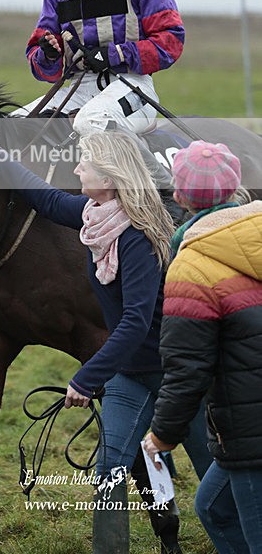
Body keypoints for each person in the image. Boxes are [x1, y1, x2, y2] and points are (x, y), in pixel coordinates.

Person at [0, 118, 211, 554]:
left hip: (173, 373)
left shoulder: (137, 237)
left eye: (85, 164)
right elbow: (42, 198)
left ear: (109, 178)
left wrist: (86, 377)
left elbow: (137, 321)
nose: (77, 170)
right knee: (109, 472)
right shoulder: (94, 216)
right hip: (129, 376)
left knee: (212, 469)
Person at [14, 0, 185, 193]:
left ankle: (165, 194)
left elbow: (171, 40)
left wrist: (116, 55)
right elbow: (40, 64)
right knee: (11, 128)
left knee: (91, 122)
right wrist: (49, 55)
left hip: (132, 85)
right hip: (80, 90)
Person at [143, 141, 262, 554]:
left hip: (249, 431)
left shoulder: (191, 267)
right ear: (235, 188)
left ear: (178, 197)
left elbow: (186, 368)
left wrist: (162, 435)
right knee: (213, 507)